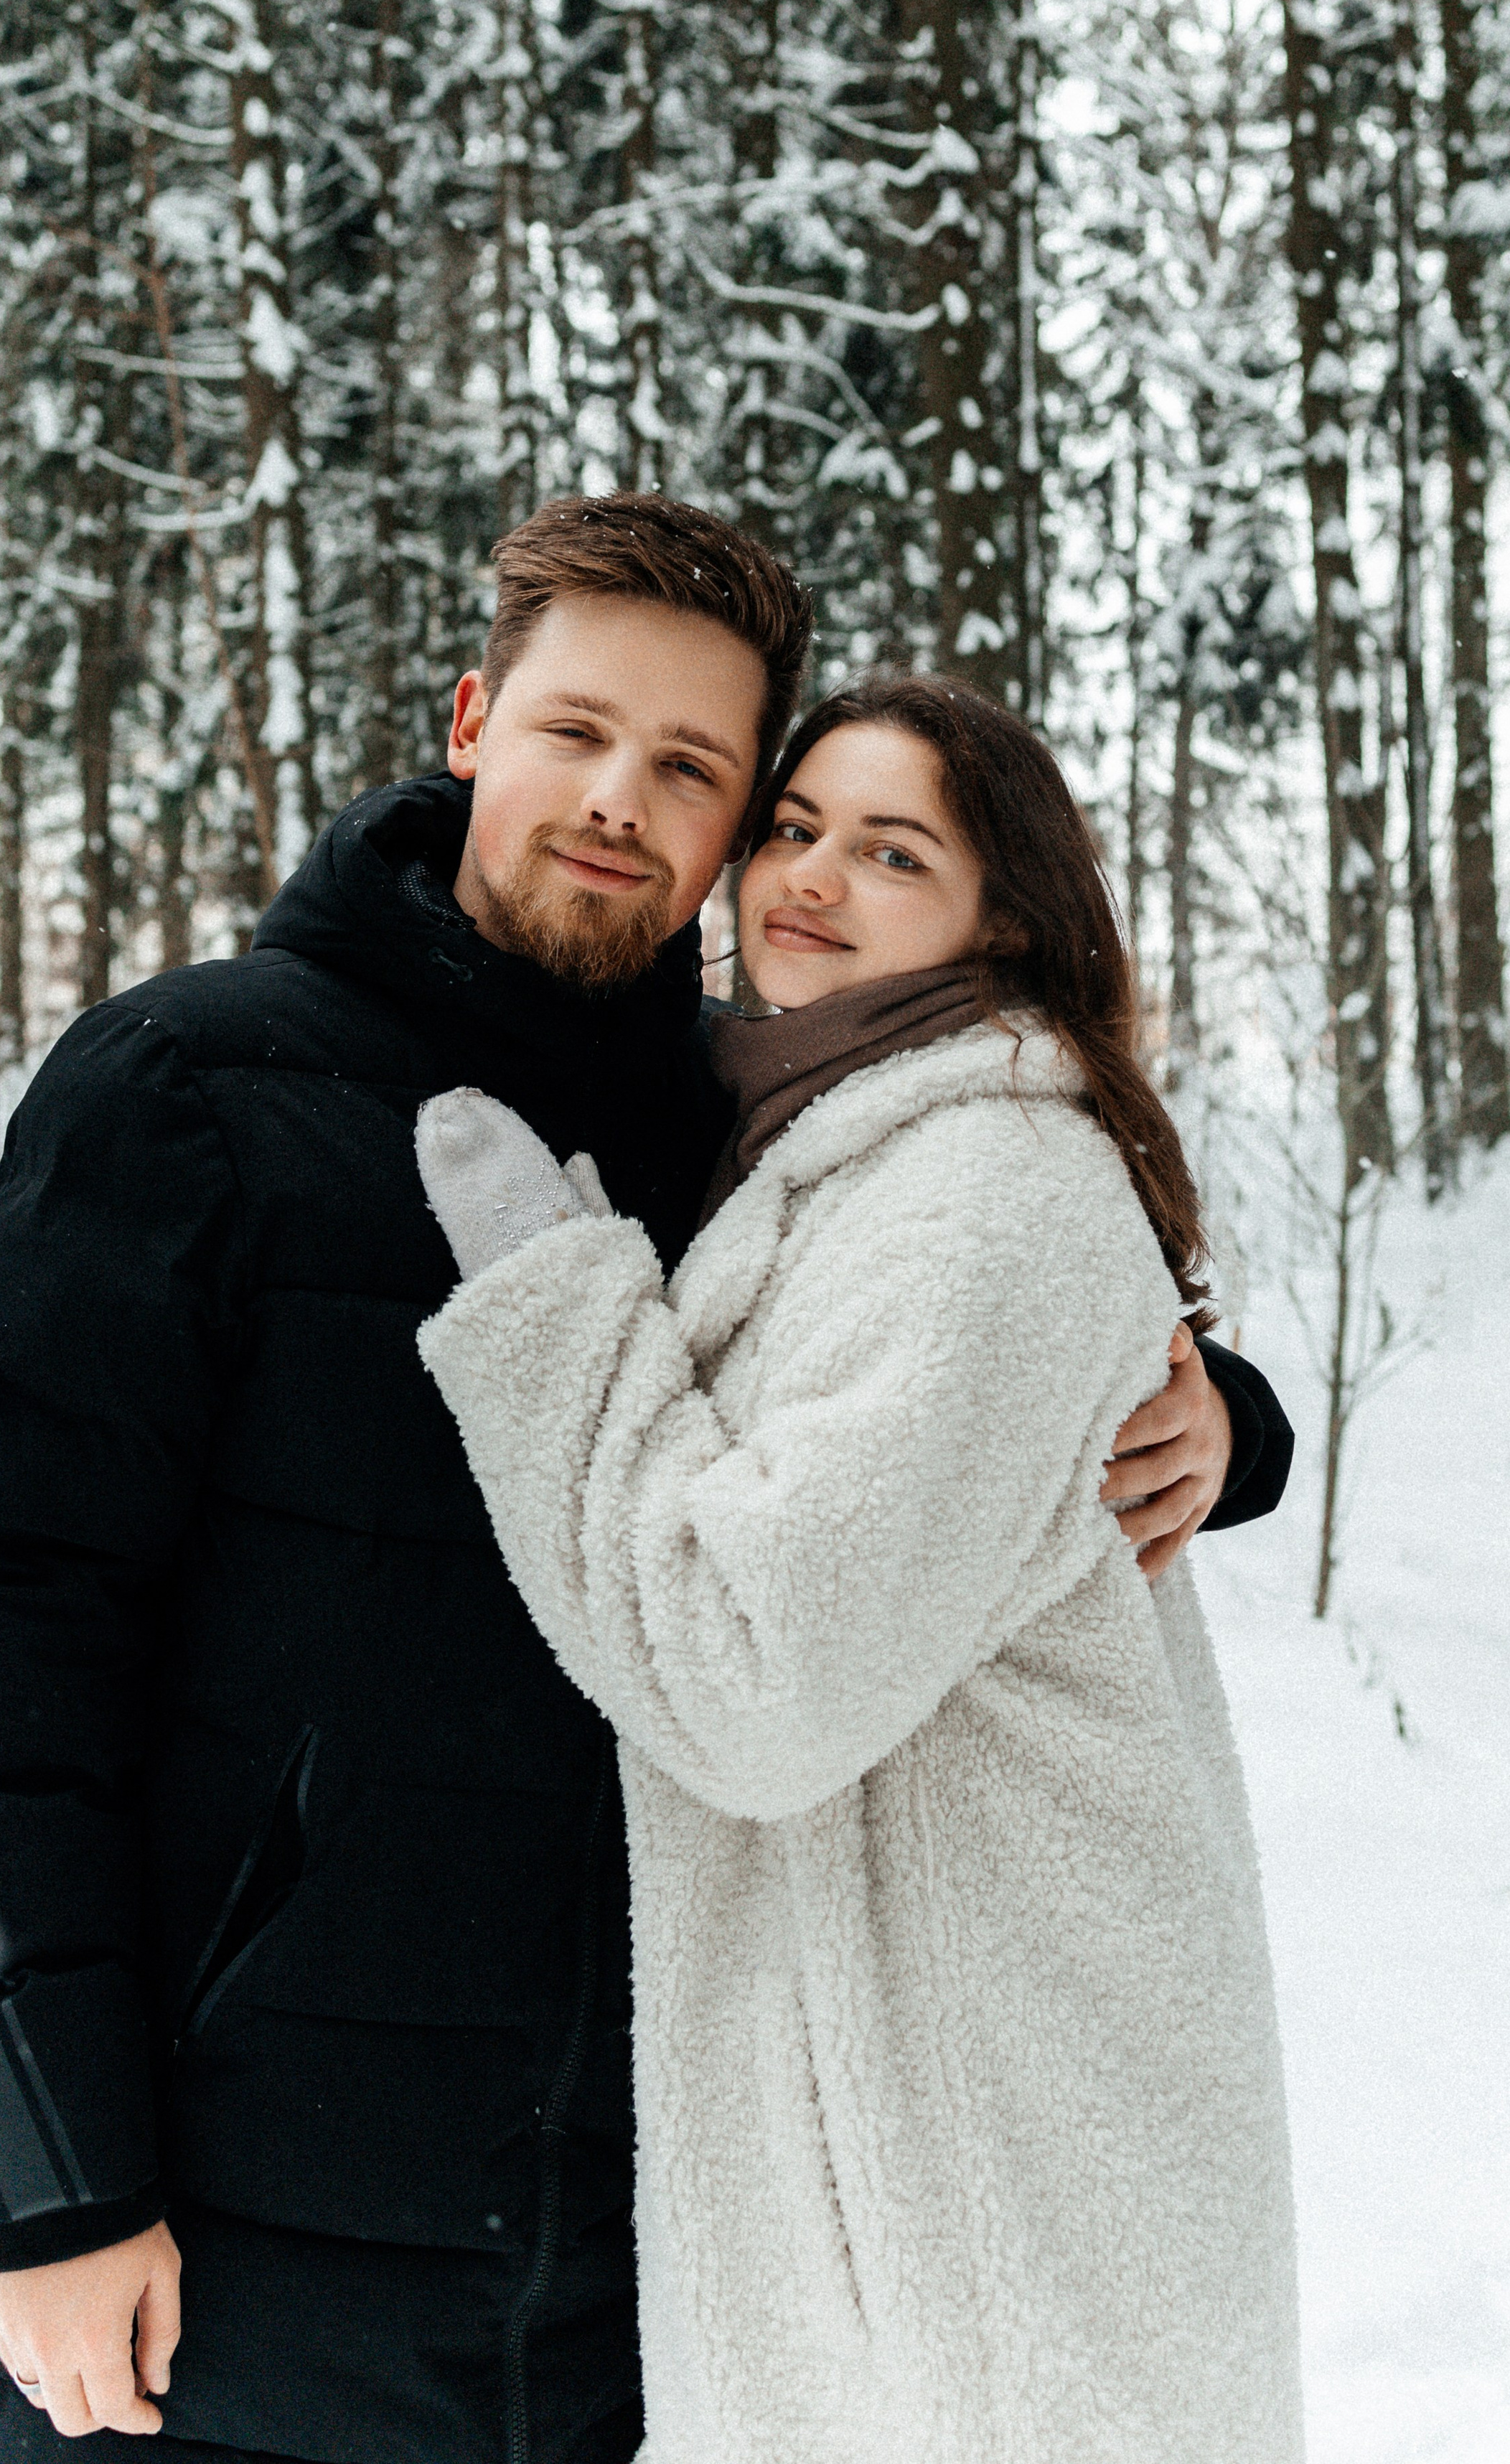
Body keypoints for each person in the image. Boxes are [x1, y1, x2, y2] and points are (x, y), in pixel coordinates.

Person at [0, 496, 1293, 2463]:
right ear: (473, 719)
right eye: (578, 730)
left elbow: (937, 1377)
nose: (624, 797)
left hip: (630, 2306)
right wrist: (44, 2182)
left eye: (697, 767)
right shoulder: (188, 1088)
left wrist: (1214, 1419)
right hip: (213, 2280)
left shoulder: (736, 1139)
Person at [413, 675, 1303, 2464]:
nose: (808, 878)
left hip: (985, 2181)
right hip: (911, 2136)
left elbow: (751, 1680)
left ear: (1006, 923)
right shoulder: (810, 1142)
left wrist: (557, 1310)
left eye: (891, 852)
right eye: (795, 830)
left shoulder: (982, 1186)